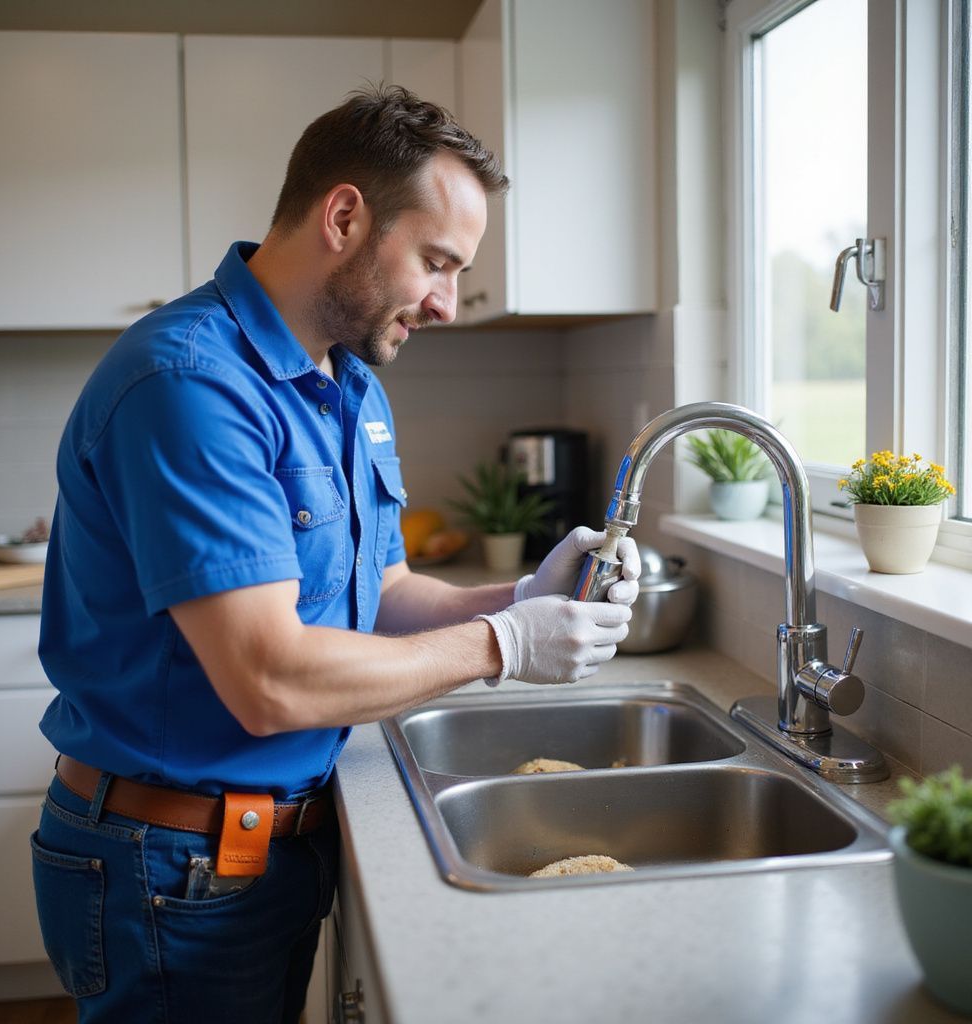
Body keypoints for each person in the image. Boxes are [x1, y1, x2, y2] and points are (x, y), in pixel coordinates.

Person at [31, 85, 639, 1024]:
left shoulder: (346, 380)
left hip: (264, 851)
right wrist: (503, 645)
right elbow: (269, 678)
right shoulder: (190, 382)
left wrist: (516, 593)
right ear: (347, 216)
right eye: (437, 262)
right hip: (171, 868)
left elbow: (380, 591)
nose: (445, 301)